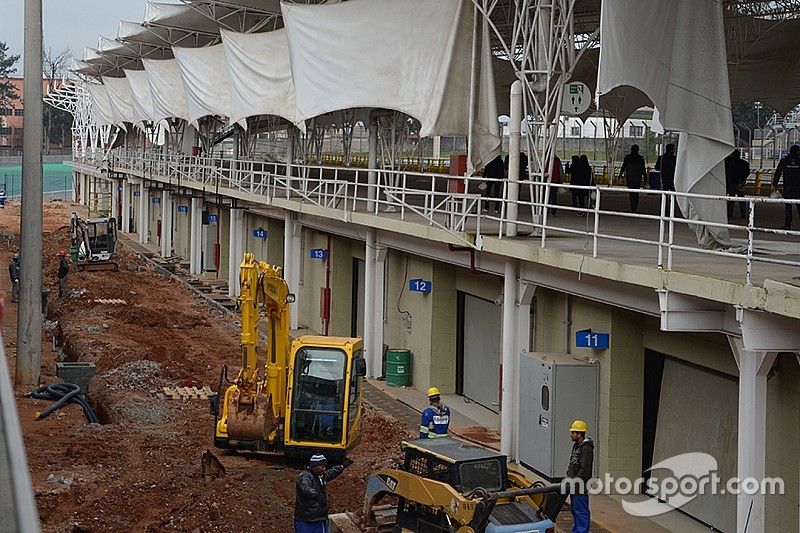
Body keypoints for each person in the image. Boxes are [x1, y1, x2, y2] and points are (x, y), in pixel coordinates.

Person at [294, 454, 347, 533]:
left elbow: (331, 473)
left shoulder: (321, 476)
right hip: (306, 519)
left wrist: (342, 467)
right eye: (322, 466)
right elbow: (305, 488)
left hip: (319, 519)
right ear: (315, 466)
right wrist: (316, 494)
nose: (324, 469)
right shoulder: (305, 476)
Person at [566, 420, 594, 533]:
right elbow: (573, 463)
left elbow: (585, 470)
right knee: (575, 510)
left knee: (581, 511)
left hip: (580, 486)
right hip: (574, 485)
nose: (571, 434)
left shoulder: (586, 449)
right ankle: (577, 530)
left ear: (580, 434)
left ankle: (581, 531)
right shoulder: (576, 446)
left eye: (573, 432)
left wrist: (575, 480)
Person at [772, 144, 800, 230]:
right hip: (799, 188)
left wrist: (775, 184)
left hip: (788, 187)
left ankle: (787, 224)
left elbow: (778, 173)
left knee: (788, 207)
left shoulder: (784, 160)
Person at [619, 144, 647, 213]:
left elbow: (623, 167)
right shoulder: (640, 158)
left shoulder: (627, 157)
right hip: (637, 177)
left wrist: (620, 174)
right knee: (636, 193)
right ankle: (635, 207)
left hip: (630, 177)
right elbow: (643, 169)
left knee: (631, 193)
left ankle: (632, 207)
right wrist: (645, 177)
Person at [725, 150, 750, 219]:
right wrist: (743, 180)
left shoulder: (729, 163)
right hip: (740, 183)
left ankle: (730, 214)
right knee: (741, 199)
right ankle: (743, 213)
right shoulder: (744, 163)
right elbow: (747, 172)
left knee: (731, 199)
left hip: (731, 183)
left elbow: (727, 173)